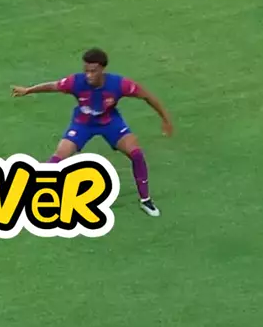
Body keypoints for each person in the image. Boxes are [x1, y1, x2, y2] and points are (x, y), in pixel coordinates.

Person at [11, 48, 173, 217]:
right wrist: (28, 90)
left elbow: (147, 96)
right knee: (58, 157)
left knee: (136, 154)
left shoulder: (119, 84)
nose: (88, 75)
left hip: (110, 122)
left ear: (102, 69)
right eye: (86, 71)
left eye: (93, 71)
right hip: (83, 123)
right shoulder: (75, 82)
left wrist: (166, 119)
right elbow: (53, 86)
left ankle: (146, 200)